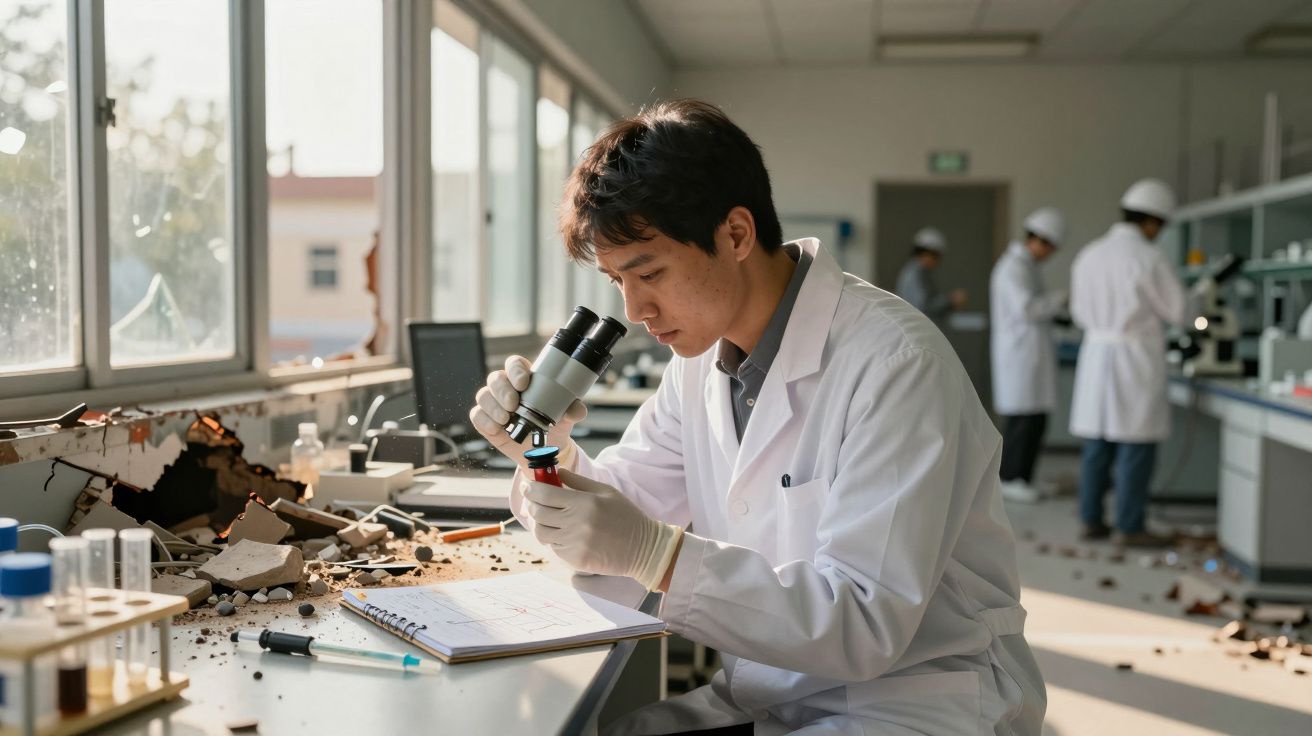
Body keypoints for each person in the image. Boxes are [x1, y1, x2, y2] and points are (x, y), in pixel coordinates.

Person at [469, 99, 1044, 735]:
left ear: (736, 235)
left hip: (913, 701)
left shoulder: (894, 363)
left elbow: (864, 624)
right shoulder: (700, 359)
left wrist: (658, 554)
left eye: (649, 272)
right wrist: (543, 453)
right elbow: (621, 514)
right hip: (774, 689)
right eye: (616, 283)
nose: (635, 309)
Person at [1069, 179, 1186, 547]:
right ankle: (1129, 526)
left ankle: (1091, 520)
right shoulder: (1150, 258)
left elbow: (1077, 311)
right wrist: (1199, 298)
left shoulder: (1089, 254)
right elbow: (1179, 310)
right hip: (1134, 356)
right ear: (1152, 222)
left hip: (1097, 354)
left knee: (1097, 446)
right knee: (1136, 446)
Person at [989, 207, 1068, 503]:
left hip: (1030, 356)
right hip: (1020, 358)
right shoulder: (1012, 268)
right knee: (1022, 423)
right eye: (1050, 248)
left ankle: (1024, 477)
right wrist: (1059, 299)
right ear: (1040, 241)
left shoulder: (1027, 268)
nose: (1050, 255)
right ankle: (1010, 478)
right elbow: (1027, 308)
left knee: (1034, 421)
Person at [895, 226, 967, 323]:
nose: (938, 261)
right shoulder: (915, 274)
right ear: (926, 254)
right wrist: (950, 302)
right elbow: (923, 307)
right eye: (936, 256)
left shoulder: (918, 272)